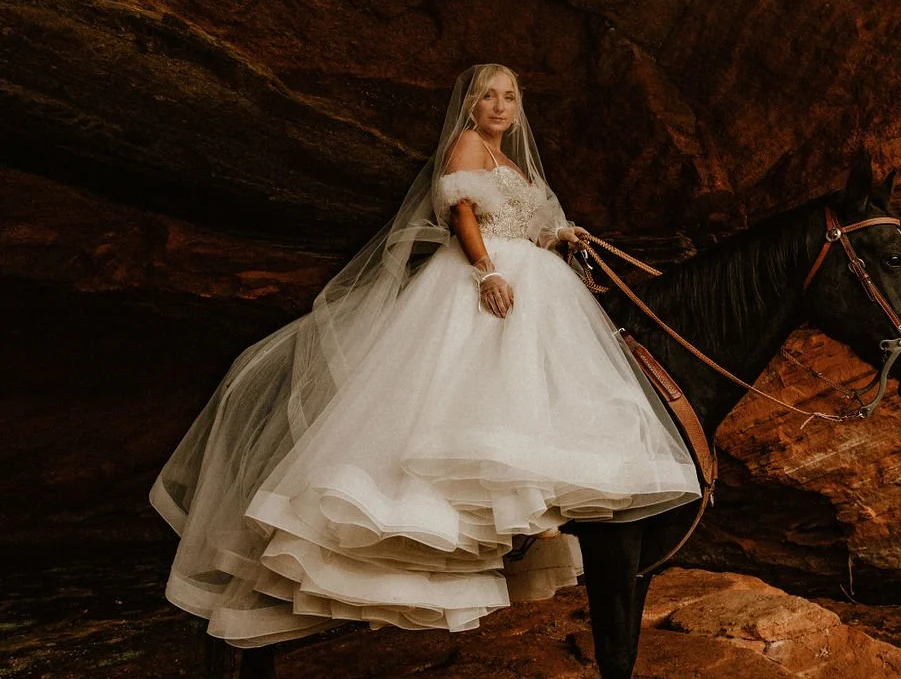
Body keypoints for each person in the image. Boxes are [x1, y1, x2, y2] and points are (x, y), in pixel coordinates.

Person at [150, 65, 701, 646]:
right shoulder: (468, 145)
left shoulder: (510, 162)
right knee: (460, 394)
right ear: (470, 105)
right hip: (488, 276)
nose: (499, 105)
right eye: (488, 95)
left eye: (509, 97)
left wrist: (560, 237)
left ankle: (527, 519)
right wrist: (486, 270)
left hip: (532, 276)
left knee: (532, 396)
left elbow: (519, 222)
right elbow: (464, 213)